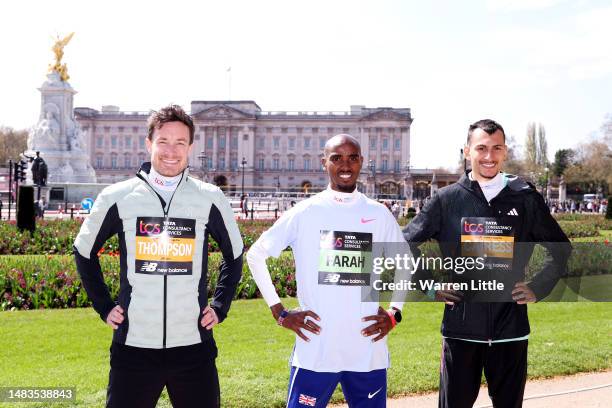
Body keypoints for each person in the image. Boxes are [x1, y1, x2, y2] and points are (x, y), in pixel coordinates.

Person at [74, 105, 243, 408]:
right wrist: (104, 306)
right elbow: (84, 251)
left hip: (193, 347)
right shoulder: (118, 196)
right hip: (134, 348)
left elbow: (235, 254)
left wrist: (220, 305)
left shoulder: (210, 198)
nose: (171, 151)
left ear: (191, 147)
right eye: (163, 141)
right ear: (149, 143)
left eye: (180, 142)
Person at [403, 119, 571, 408]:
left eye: (497, 148)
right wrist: (429, 287)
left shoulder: (525, 198)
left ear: (505, 152)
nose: (489, 156)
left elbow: (561, 249)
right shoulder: (447, 199)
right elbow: (404, 243)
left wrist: (538, 287)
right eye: (481, 148)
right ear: (467, 151)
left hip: (511, 332)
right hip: (460, 332)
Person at [247, 134, 406, 407]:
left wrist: (395, 313)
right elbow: (255, 255)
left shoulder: (378, 213)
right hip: (316, 350)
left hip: (367, 352)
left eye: (352, 158)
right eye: (337, 158)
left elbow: (405, 263)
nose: (345, 165)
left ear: (361, 163)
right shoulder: (305, 211)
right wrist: (280, 313)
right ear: (324, 163)